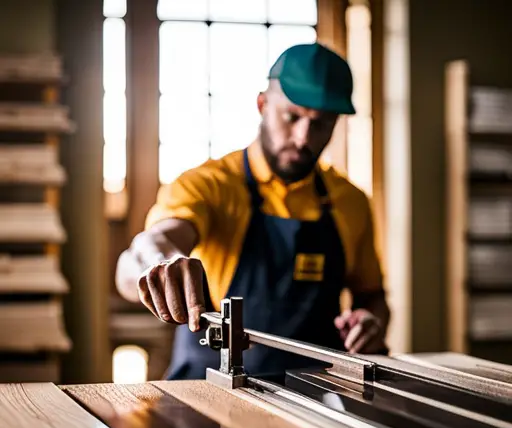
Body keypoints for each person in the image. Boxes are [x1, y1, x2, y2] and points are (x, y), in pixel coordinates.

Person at [115, 42, 391, 380]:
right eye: (292, 117)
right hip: (206, 395)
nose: (304, 138)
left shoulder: (351, 202)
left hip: (314, 402)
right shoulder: (208, 185)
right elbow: (145, 249)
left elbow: (372, 296)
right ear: (262, 105)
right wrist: (158, 264)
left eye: (321, 124)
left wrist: (369, 322)